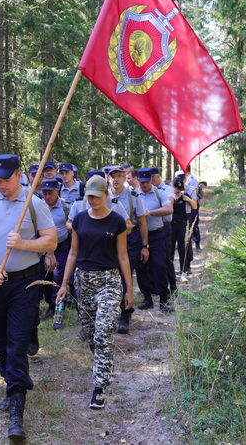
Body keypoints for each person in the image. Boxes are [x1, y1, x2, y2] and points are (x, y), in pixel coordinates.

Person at [0, 154, 57, 440]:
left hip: (24, 283)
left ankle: (17, 408)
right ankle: (14, 382)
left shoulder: (34, 203)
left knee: (18, 343)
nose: (1, 184)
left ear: (19, 175)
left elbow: (52, 240)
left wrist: (24, 243)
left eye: (6, 178)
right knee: (0, 341)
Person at [55, 175, 134, 410]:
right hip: (83, 281)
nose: (93, 200)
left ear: (106, 196)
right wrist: (63, 284)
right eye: (89, 196)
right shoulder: (79, 220)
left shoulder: (117, 221)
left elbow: (122, 256)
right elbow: (72, 253)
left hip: (109, 280)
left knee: (103, 332)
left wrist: (129, 289)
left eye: (97, 196)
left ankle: (100, 386)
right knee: (91, 334)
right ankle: (103, 362)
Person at [107, 165, 147, 333]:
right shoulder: (103, 195)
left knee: (125, 275)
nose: (116, 179)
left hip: (129, 239)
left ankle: (125, 315)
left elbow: (142, 222)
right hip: (107, 240)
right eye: (112, 176)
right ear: (108, 179)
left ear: (124, 178)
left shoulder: (133, 196)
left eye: (119, 176)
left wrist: (145, 246)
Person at [136, 167, 174, 312]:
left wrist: (150, 212)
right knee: (141, 266)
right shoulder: (134, 195)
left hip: (157, 235)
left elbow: (169, 209)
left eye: (146, 182)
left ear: (151, 180)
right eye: (142, 182)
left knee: (159, 265)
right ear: (138, 181)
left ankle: (163, 300)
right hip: (139, 236)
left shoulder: (160, 193)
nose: (144, 185)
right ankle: (147, 298)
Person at [40, 179, 71, 322]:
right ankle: (50, 305)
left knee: (58, 276)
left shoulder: (66, 207)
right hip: (43, 248)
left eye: (50, 193)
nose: (47, 197)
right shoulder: (39, 206)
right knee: (45, 277)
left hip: (62, 247)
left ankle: (58, 306)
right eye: (44, 193)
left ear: (57, 191)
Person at [151, 167, 177, 295]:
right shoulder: (146, 190)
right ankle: (155, 286)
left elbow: (169, 203)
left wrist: (152, 207)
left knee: (167, 258)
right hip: (151, 228)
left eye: (151, 178)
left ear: (157, 176)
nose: (149, 181)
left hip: (165, 226)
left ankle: (172, 286)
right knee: (152, 260)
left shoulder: (166, 188)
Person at [172, 174, 198, 280]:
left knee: (183, 249)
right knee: (170, 250)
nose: (178, 191)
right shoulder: (169, 196)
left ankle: (183, 272)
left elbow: (195, 206)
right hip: (171, 225)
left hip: (182, 225)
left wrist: (188, 199)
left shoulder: (185, 195)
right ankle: (170, 273)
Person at [185, 165, 201, 251]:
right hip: (186, 205)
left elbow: (194, 192)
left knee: (194, 224)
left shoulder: (192, 179)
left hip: (193, 204)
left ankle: (197, 243)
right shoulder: (185, 179)